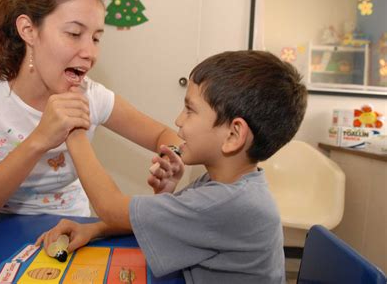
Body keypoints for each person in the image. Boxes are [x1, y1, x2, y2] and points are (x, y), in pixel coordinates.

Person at [0, 0, 182, 235]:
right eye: (75, 34)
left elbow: (164, 135)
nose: (90, 53)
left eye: (96, 38)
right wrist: (39, 139)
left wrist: (171, 159)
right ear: (28, 30)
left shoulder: (92, 96)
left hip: (71, 230)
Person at [37, 50, 308, 283]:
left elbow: (109, 205)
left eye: (190, 110)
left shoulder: (230, 203)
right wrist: (94, 229)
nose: (178, 121)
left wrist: (73, 132)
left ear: (234, 135)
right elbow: (167, 222)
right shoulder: (227, 184)